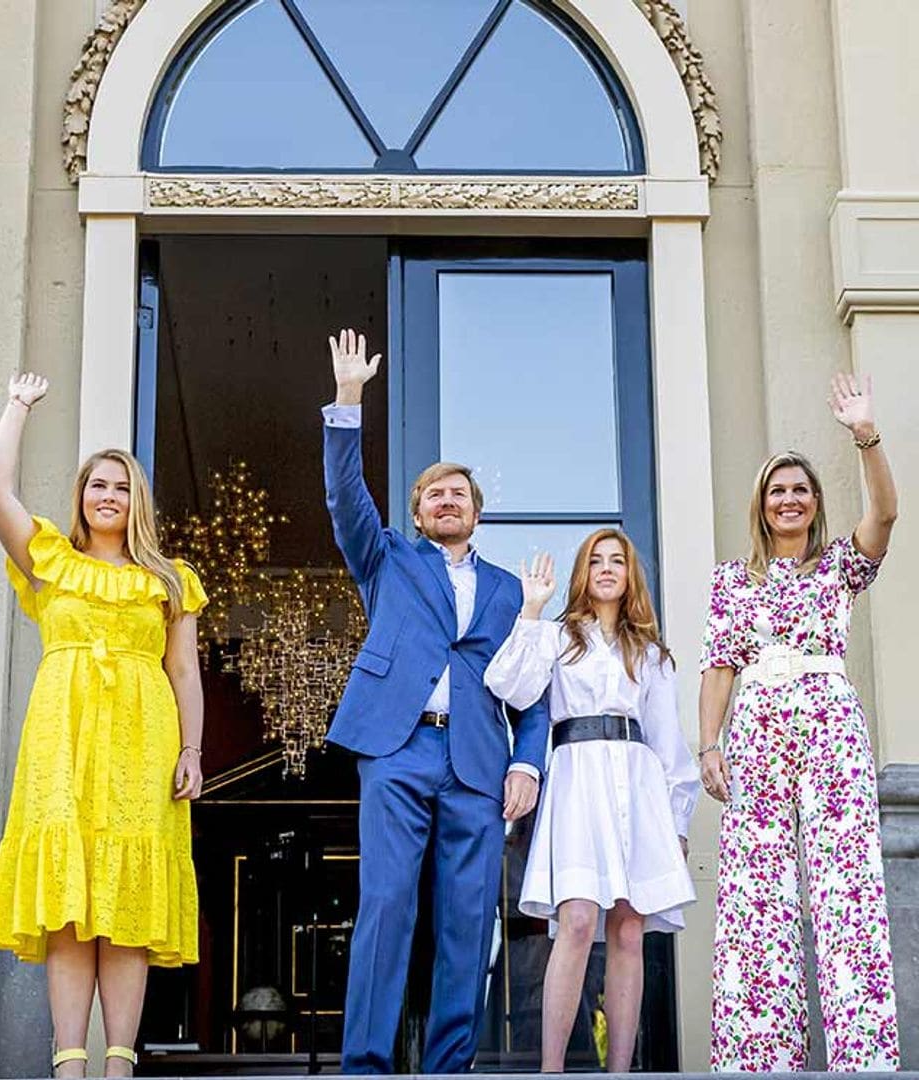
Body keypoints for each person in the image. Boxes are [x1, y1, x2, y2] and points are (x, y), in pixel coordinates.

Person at [322, 329, 550, 1074]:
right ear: (417, 514)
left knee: (466, 923)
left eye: (459, 493)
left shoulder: (513, 592)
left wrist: (527, 764)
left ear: (476, 514)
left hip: (479, 764)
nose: (446, 500)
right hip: (396, 748)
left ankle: (450, 1068)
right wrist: (349, 399)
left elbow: (534, 689)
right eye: (433, 494)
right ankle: (367, 1065)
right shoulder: (385, 557)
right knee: (387, 908)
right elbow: (344, 494)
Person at [0, 374, 208, 1078]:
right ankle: (68, 1063)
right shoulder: (51, 561)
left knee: (129, 911)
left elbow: (185, 674)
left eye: (119, 487)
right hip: (65, 742)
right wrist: (17, 409)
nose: (107, 496)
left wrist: (193, 750)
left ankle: (119, 1064)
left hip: (144, 743)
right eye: (96, 485)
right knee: (72, 912)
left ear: (136, 502)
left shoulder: (170, 579)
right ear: (81, 498)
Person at [699, 373, 899, 1071]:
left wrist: (865, 436)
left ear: (814, 505)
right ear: (762, 505)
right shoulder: (732, 579)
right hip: (754, 731)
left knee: (847, 887)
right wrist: (708, 744)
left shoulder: (839, 566)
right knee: (757, 891)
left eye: (800, 489)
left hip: (829, 729)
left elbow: (886, 517)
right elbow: (719, 663)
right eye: (777, 490)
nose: (789, 498)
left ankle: (862, 1057)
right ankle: (761, 1058)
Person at [484, 532, 698, 1071]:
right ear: (583, 573)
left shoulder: (650, 654)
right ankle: (552, 1070)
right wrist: (532, 609)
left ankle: (619, 1071)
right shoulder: (558, 638)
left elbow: (668, 743)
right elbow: (507, 684)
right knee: (577, 918)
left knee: (628, 925)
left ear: (630, 575)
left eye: (617, 560)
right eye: (595, 561)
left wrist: (676, 824)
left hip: (638, 784)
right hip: (578, 780)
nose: (606, 569)